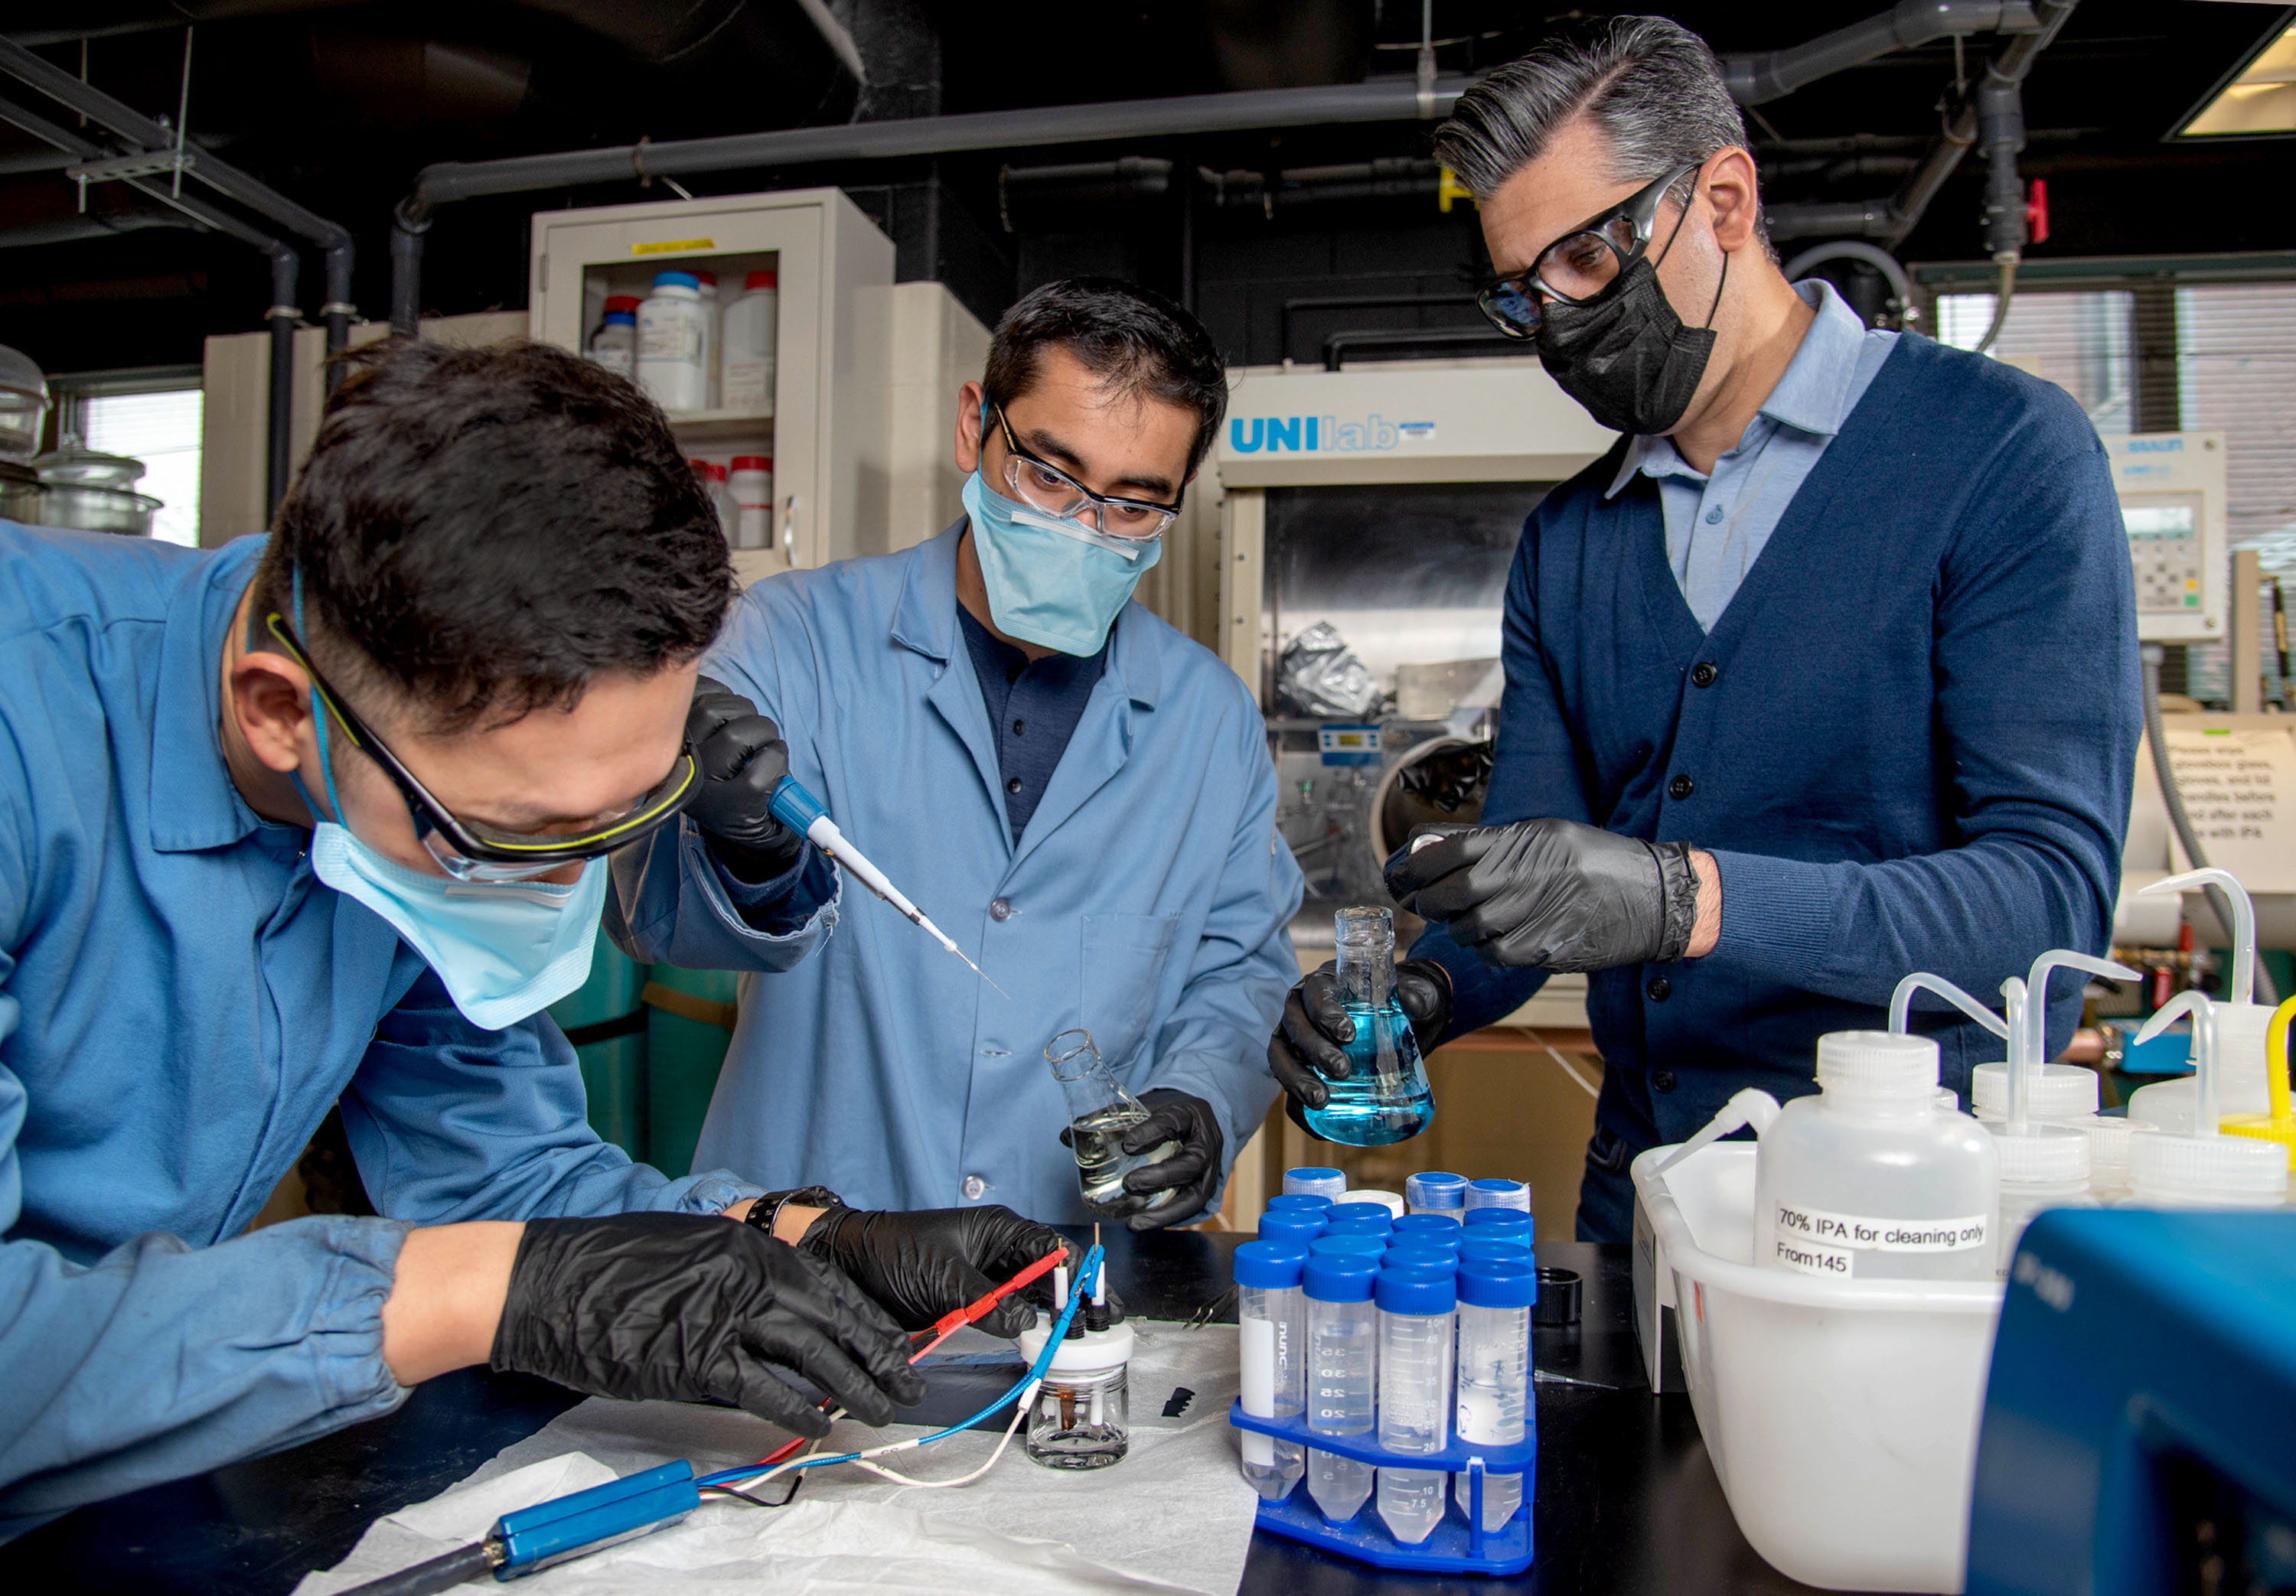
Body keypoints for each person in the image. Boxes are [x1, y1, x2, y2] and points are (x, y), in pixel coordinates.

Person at [0, 339, 1071, 1539]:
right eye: (518, 836)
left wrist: (814, 1239)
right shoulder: (23, 725)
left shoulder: (391, 800)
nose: (561, 886)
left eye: (622, 815)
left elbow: (512, 1178)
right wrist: (491, 1290)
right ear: (278, 711)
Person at [1268, 17, 2138, 1239]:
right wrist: (1421, 989)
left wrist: (1690, 899)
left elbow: (2047, 903)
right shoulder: (1573, 542)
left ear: (1723, 200)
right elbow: (1532, 894)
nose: (1558, 323)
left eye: (1584, 260)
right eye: (1522, 292)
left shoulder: (2000, 455)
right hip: (1647, 1196)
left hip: (1904, 1214)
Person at [612, 277, 1303, 1230]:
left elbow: (1242, 971)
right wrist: (749, 855)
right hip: (805, 1262)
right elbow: (655, 925)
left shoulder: (1208, 723)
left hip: (1072, 1284)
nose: (1080, 528)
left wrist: (1204, 1101)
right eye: (1050, 476)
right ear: (975, 424)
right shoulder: (792, 641)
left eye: (1134, 506)